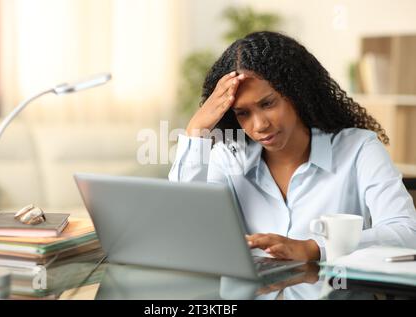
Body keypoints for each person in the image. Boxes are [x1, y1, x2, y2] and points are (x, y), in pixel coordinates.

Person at [169, 31, 416, 261]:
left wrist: (314, 248)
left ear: (297, 93)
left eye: (267, 104)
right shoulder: (229, 156)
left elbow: (407, 232)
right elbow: (186, 230)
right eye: (243, 113)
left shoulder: (358, 149)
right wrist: (196, 130)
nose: (259, 125)